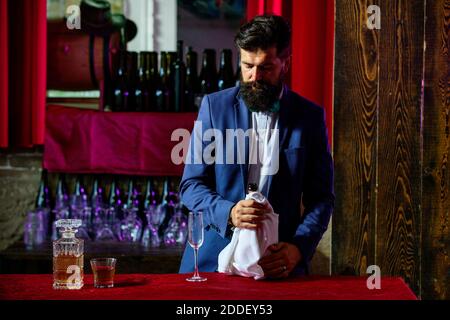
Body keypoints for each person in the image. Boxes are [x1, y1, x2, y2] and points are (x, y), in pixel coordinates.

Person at [179, 15, 334, 278]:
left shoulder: (310, 117)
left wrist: (298, 248)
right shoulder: (214, 107)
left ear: (286, 63)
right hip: (212, 263)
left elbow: (321, 198)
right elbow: (191, 186)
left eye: (266, 68)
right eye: (247, 66)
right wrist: (228, 212)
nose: (254, 77)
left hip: (278, 264)